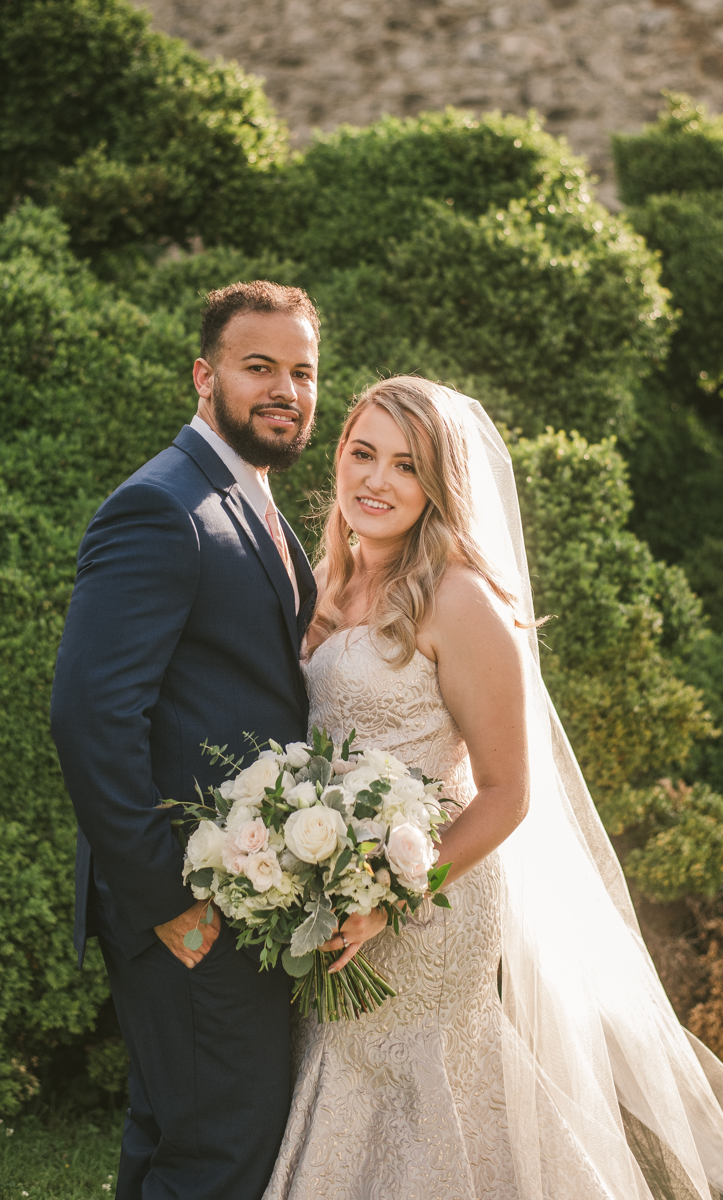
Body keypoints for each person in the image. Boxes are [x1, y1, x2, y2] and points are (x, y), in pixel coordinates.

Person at [264, 376, 723, 1200]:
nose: (377, 480)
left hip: (430, 900)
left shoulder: (461, 598)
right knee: (344, 1081)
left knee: (422, 1091)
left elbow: (509, 791)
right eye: (363, 454)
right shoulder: (327, 585)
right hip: (332, 889)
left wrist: (390, 899)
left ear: (438, 486)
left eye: (406, 466)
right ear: (337, 457)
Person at [50, 280, 323, 1200]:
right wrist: (168, 895)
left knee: (179, 1136)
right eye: (259, 368)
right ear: (204, 377)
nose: (285, 388)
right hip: (188, 903)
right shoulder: (162, 507)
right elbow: (91, 716)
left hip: (239, 892)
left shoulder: (254, 503)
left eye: (302, 371)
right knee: (222, 1151)